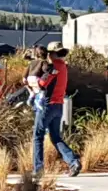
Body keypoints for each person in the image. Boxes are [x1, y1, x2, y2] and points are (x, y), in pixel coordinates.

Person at [34, 41, 80, 178]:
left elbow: (42, 83)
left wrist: (35, 79)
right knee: (55, 137)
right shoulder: (63, 67)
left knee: (37, 136)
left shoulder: (52, 67)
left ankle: (38, 171)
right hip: (59, 106)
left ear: (51, 53)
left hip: (47, 106)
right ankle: (73, 161)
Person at [24, 46, 49, 113]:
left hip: (29, 78)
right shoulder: (43, 62)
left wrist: (24, 77)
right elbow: (45, 69)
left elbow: (27, 70)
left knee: (34, 90)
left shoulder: (32, 62)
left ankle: (31, 96)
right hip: (36, 78)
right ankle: (40, 101)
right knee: (42, 90)